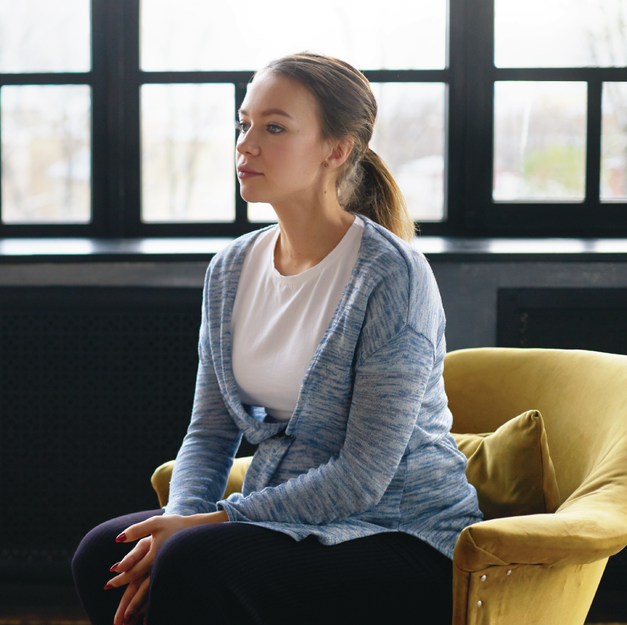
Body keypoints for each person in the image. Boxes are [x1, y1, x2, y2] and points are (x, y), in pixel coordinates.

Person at [70, 52, 483, 625]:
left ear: (336, 150)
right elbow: (209, 432)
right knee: (106, 555)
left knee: (193, 561)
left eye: (275, 128)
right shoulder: (231, 268)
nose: (246, 145)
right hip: (286, 521)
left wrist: (209, 526)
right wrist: (176, 522)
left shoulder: (392, 275)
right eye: (244, 124)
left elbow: (362, 477)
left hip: (403, 534)